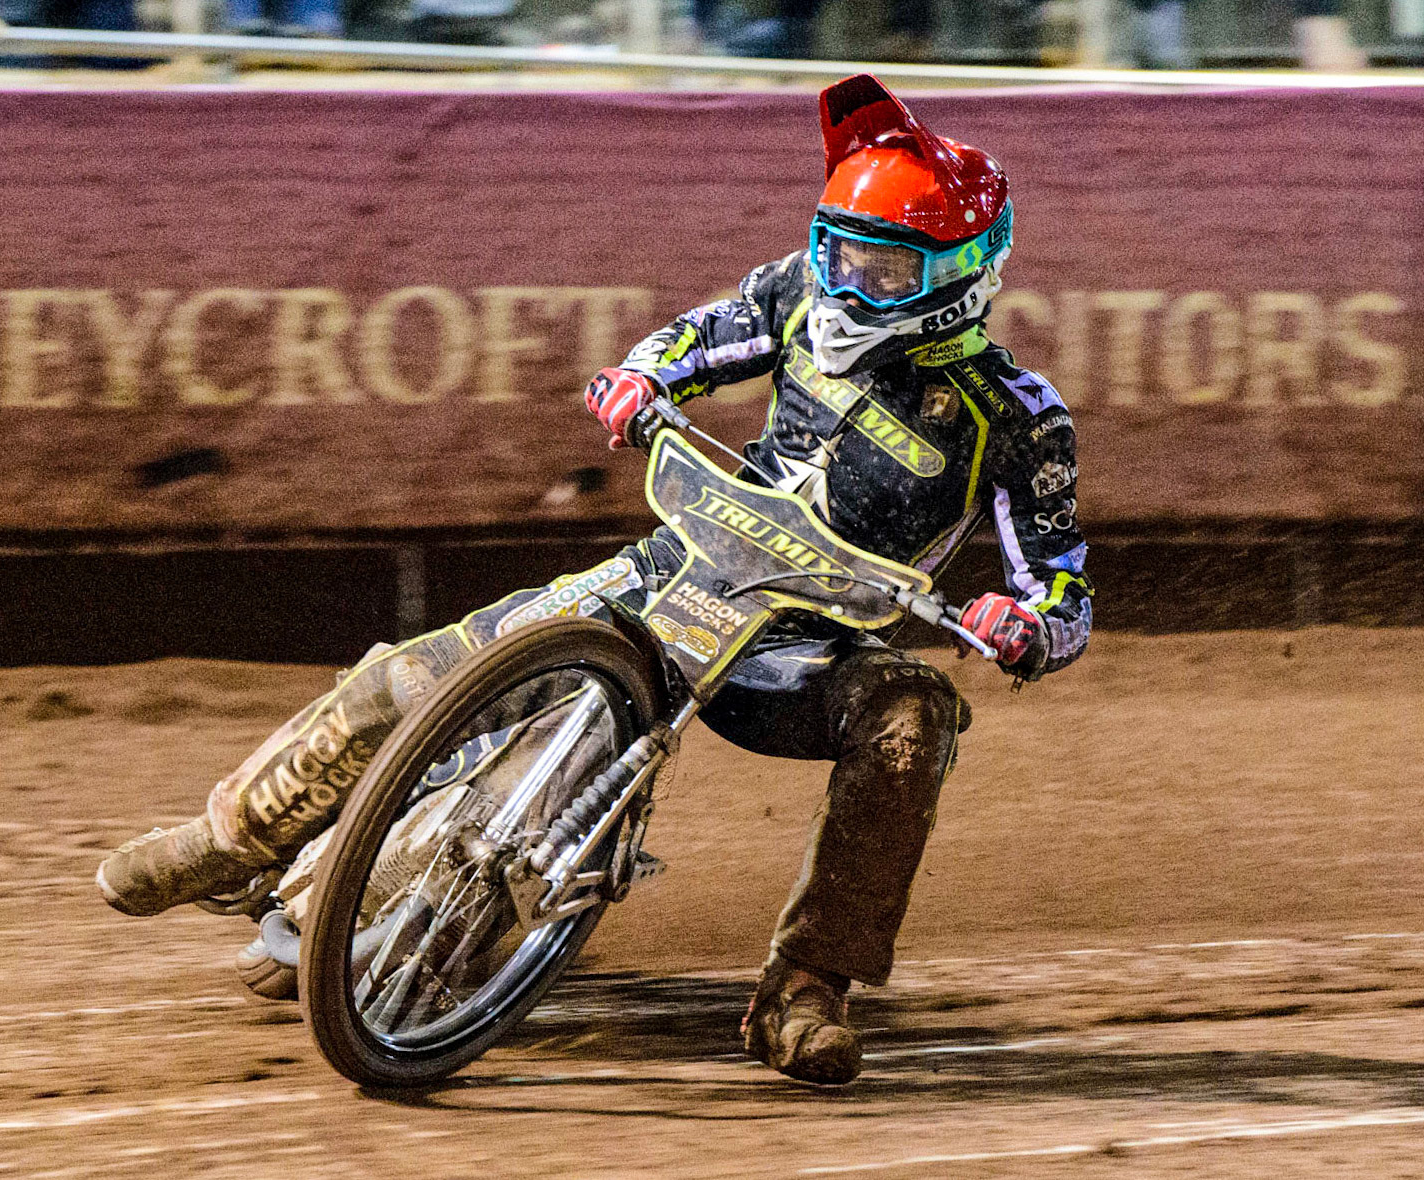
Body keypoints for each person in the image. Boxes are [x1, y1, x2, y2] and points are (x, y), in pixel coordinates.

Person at [95, 73, 1094, 1086]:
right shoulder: (798, 292)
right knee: (421, 673)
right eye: (842, 250)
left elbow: (1063, 589)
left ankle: (807, 986)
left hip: (805, 651)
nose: (850, 280)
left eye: (885, 266)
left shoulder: (1016, 418)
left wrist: (1026, 624)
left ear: (963, 276)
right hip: (672, 573)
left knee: (911, 712)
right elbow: (705, 336)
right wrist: (642, 376)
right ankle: (229, 838)